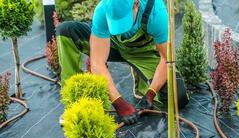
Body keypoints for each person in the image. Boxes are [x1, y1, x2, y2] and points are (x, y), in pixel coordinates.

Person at [56, 0, 188, 125]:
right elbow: (97, 62)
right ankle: (74, 105)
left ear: (136, 4)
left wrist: (150, 94)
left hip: (143, 54)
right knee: (65, 31)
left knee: (177, 97)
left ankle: (142, 81)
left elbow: (166, 59)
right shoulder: (103, 9)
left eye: (123, 21)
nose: (120, 29)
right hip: (112, 46)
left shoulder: (156, 13)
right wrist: (118, 102)